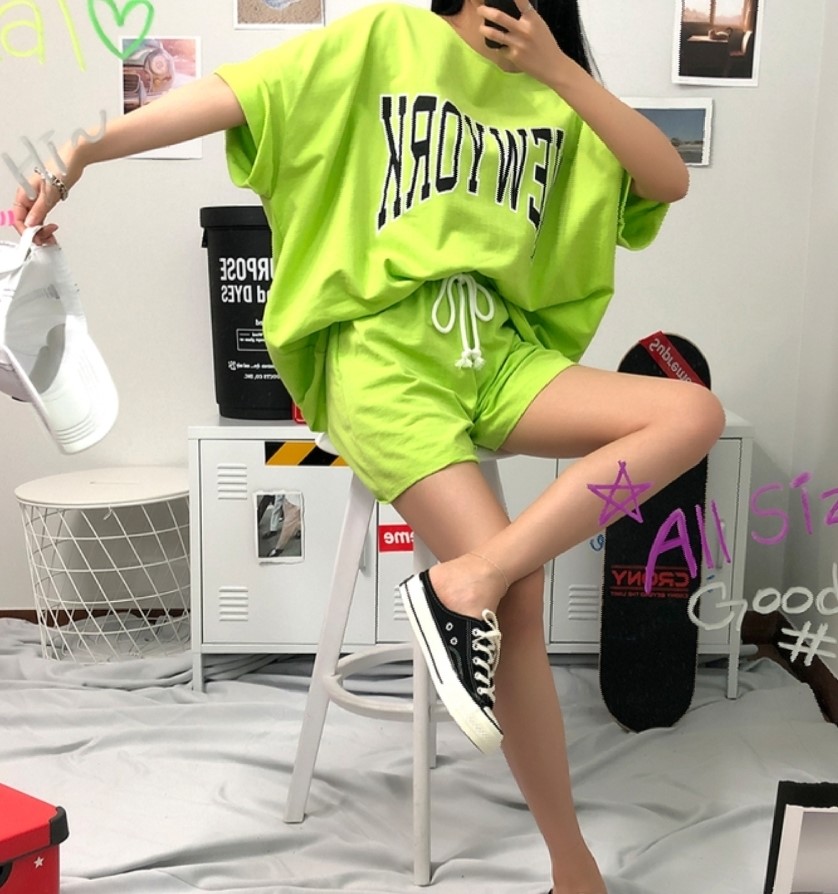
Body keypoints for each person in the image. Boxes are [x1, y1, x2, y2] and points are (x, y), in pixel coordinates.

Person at [12, 0, 725, 890]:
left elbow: (667, 179)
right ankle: (570, 862)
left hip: (499, 356)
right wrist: (83, 154)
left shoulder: (555, 91)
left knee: (691, 416)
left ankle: (472, 576)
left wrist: (558, 70)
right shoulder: (384, 40)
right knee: (524, 602)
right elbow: (236, 95)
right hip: (385, 364)